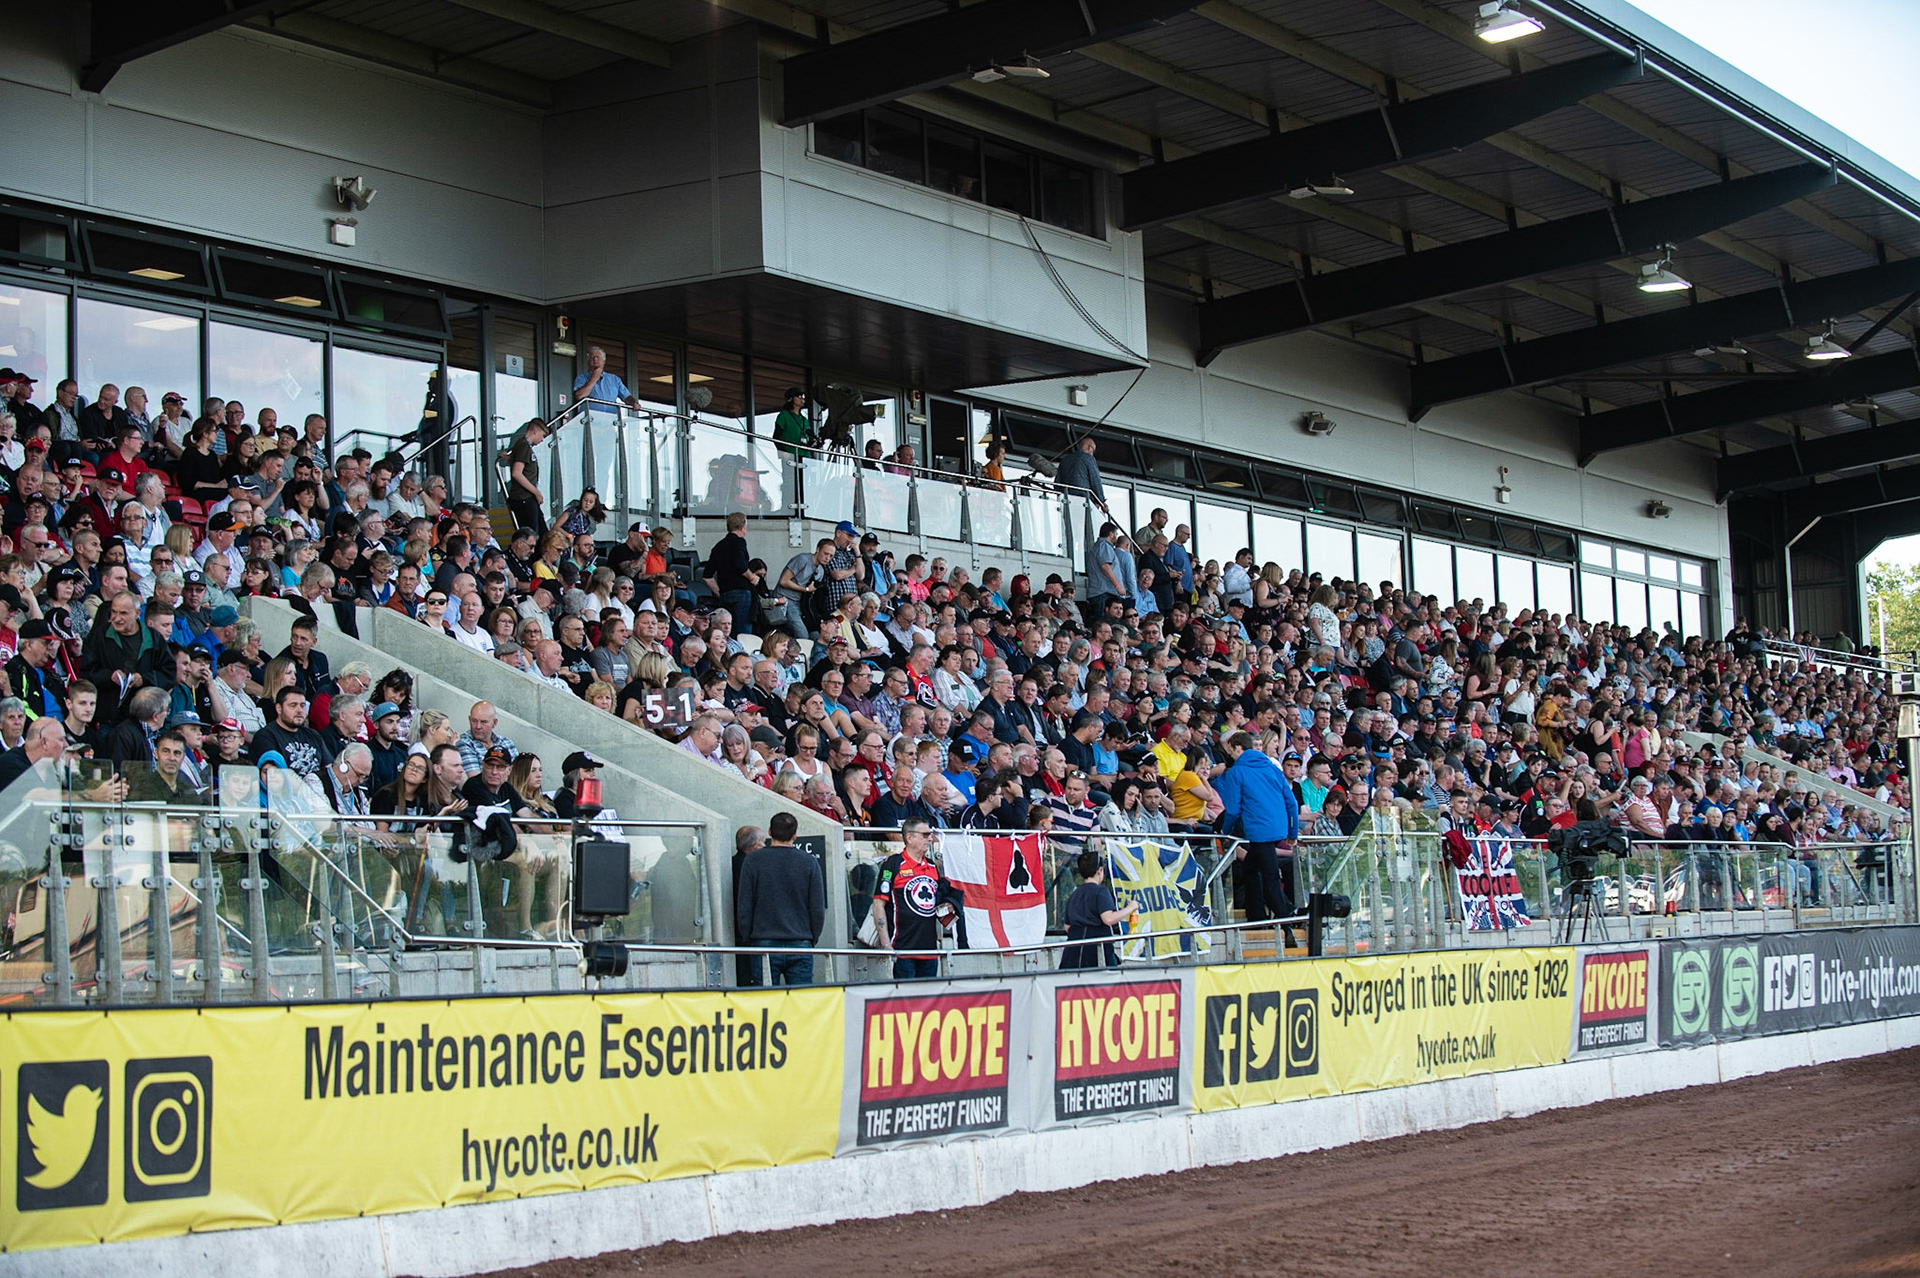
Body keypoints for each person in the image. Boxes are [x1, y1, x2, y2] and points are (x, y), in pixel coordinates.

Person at [1214, 730, 1303, 945]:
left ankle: (1287, 926)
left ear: (1237, 748)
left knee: (1271, 879)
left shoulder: (1237, 772)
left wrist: (1225, 831)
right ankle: (1257, 917)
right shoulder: (1272, 768)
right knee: (1251, 870)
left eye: (1231, 751)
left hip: (1259, 831)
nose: (1231, 756)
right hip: (1278, 828)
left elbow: (1233, 810)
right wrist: (1292, 832)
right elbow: (1291, 802)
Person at [733, 811, 826, 986]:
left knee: (765, 1003)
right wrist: (811, 937)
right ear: (795, 835)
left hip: (763, 941)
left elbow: (745, 904)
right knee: (801, 1002)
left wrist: (749, 937)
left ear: (769, 831)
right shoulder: (809, 862)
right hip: (800, 940)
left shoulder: (753, 860)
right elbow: (817, 908)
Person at [870, 818, 947, 980]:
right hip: (902, 949)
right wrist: (886, 943)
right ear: (910, 838)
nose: (930, 839)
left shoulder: (933, 866)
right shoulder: (893, 864)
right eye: (925, 835)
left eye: (930, 834)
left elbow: (940, 901)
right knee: (904, 1001)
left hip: (929, 949)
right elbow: (878, 903)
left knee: (928, 1001)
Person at [1059, 849, 1137, 970]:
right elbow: (1108, 919)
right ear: (1100, 871)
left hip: (1073, 953)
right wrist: (1130, 908)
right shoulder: (1101, 892)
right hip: (1097, 953)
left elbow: (1067, 927)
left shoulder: (1074, 894)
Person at [505, 418, 549, 535]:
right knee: (531, 534)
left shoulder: (522, 446)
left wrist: (508, 458)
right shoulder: (523, 445)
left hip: (526, 497)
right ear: (535, 430)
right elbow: (517, 473)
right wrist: (536, 492)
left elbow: (519, 462)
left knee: (542, 532)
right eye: (542, 435)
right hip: (523, 497)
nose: (542, 440)